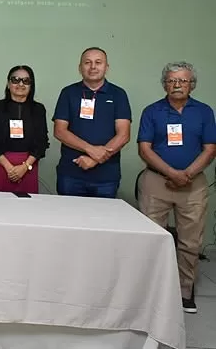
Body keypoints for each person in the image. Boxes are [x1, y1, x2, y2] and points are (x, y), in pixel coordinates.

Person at [137, 62, 216, 314]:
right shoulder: (152, 111)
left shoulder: (204, 111)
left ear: (191, 84)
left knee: (190, 241)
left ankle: (184, 291)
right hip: (156, 182)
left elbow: (210, 148)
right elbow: (144, 148)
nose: (177, 85)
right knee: (151, 238)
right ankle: (151, 291)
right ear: (164, 84)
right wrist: (171, 173)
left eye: (183, 80)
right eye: (172, 80)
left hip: (193, 184)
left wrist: (187, 174)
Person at [53, 48, 132, 198]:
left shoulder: (118, 94)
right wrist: (91, 149)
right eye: (87, 62)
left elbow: (124, 135)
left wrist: (94, 159)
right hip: (71, 174)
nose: (93, 67)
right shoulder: (68, 93)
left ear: (106, 67)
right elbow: (60, 131)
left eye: (98, 62)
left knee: (103, 220)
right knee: (68, 219)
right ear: (80, 67)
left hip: (106, 177)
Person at [0, 66, 49, 194]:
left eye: (26, 81)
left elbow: (42, 142)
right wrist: (9, 167)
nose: (21, 84)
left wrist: (24, 167)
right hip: (1, 164)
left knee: (26, 209)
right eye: (15, 80)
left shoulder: (38, 109)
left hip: (28, 166)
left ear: (31, 85)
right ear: (8, 83)